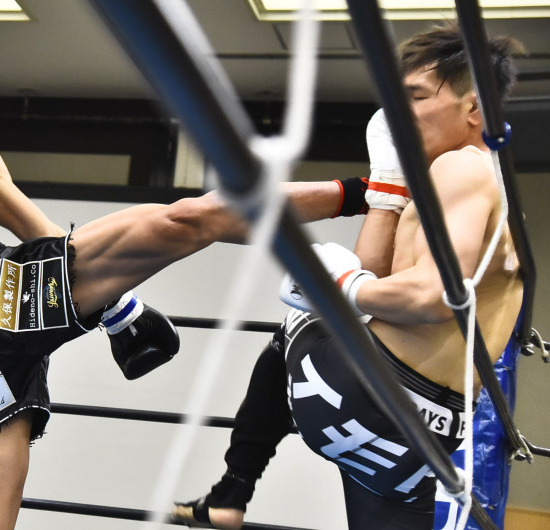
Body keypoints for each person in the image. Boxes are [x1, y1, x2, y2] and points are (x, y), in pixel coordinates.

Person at [0, 13, 372, 529]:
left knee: (186, 217)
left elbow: (37, 232)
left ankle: (365, 192)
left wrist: (116, 307)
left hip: (4, 288)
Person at [171, 22, 524, 530]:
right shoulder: (479, 185)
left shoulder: (460, 169)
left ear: (476, 109)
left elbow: (430, 296)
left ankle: (232, 490)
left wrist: (339, 286)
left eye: (416, 96)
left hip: (362, 397)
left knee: (297, 323)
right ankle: (230, 495)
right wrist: (387, 190)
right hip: (427, 433)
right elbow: (377, 277)